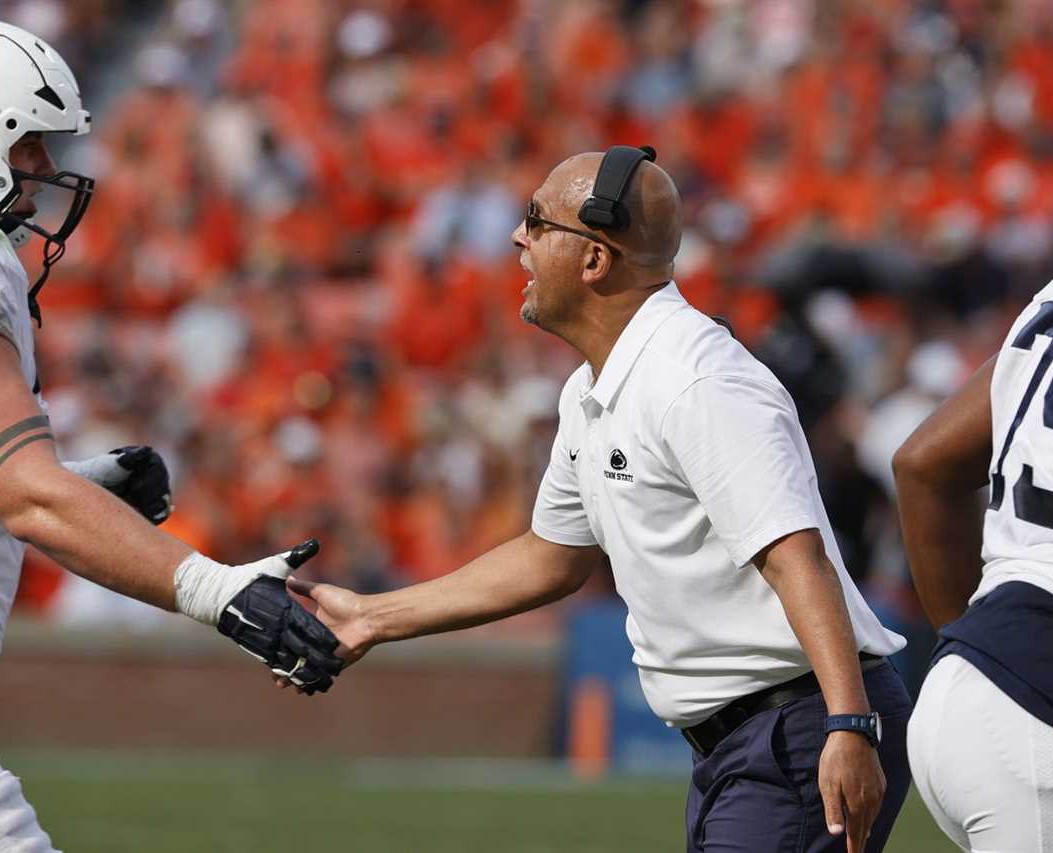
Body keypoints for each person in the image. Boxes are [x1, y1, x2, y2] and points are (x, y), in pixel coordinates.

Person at [0, 18, 340, 852]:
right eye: (26, 145)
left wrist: (82, 476)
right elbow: (26, 497)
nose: (42, 170)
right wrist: (216, 591)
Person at [289, 147, 912, 853]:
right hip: (750, 741)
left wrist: (848, 724)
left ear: (594, 259)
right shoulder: (593, 389)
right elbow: (552, 558)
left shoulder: (696, 378)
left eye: (536, 221)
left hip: (801, 724)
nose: (517, 239)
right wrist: (375, 615)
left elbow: (797, 558)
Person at [894, 286, 1053, 851]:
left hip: (976, 678)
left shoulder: (1052, 297)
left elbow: (923, 465)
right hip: (1040, 711)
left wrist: (972, 649)